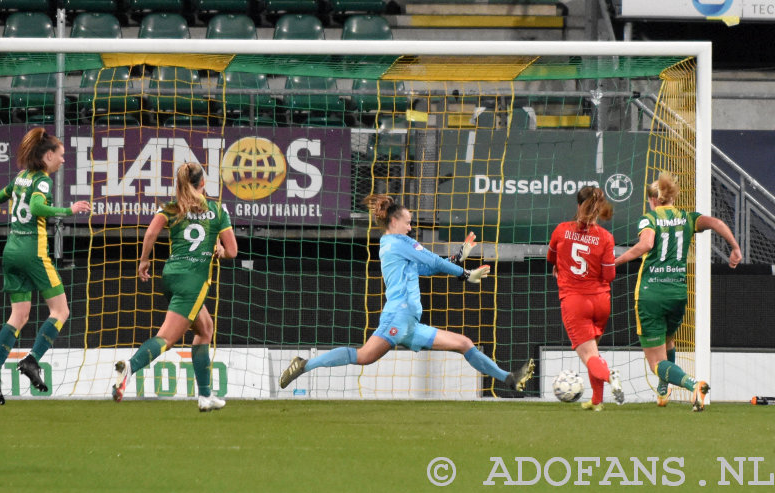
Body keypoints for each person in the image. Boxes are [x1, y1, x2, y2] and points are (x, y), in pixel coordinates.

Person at [279, 194, 534, 392]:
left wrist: (458, 257)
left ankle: (509, 379)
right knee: (364, 356)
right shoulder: (399, 243)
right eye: (408, 222)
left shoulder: (395, 247)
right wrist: (464, 274)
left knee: (464, 343)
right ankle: (304, 364)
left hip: (410, 323)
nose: (411, 228)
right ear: (394, 221)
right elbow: (434, 262)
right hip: (397, 318)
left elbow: (427, 268)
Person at [111, 162, 237, 412]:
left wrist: (144, 260)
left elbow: (150, 234)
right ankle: (130, 367)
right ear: (203, 183)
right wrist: (220, 250)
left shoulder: (171, 207)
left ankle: (205, 396)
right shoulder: (216, 209)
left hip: (170, 275)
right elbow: (232, 251)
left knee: (205, 328)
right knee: (167, 338)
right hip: (193, 281)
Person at [0, 128, 91, 405]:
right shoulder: (41, 181)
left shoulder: (20, 177)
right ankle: (31, 360)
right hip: (33, 254)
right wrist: (69, 211)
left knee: (19, 315)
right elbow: (39, 207)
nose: (63, 161)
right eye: (61, 156)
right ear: (48, 155)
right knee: (61, 310)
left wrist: (13, 196)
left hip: (11, 252)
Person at [614, 173, 741, 411]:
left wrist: (614, 263)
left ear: (653, 199)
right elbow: (717, 223)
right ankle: (665, 388)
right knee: (668, 339)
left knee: (655, 362)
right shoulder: (686, 218)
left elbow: (646, 244)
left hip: (651, 294)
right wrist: (734, 247)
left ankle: (693, 383)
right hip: (678, 293)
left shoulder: (648, 218)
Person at [547, 186, 624, 411]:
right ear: (599, 209)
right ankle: (597, 401)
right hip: (601, 302)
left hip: (575, 301)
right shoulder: (606, 237)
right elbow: (610, 275)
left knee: (590, 357)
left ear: (578, 205)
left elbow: (551, 258)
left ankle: (611, 375)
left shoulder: (561, 231)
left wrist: (561, 267)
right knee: (594, 353)